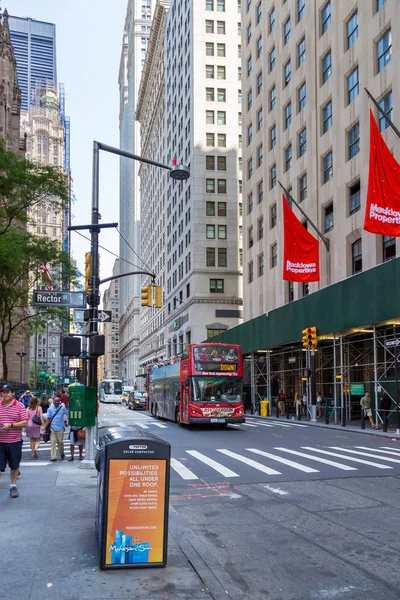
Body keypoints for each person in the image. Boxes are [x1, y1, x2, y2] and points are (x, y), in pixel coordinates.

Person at [0, 385, 28, 498]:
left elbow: (25, 422)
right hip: (0, 442)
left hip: (14, 442)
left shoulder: (20, 406)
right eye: (3, 392)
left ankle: (13, 486)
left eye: (7, 392)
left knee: (14, 465)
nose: (5, 394)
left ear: (12, 393)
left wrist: (11, 425)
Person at [45, 396, 68, 462]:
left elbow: (68, 413)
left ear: (59, 401)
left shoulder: (62, 408)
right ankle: (53, 457)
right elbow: (48, 418)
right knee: (53, 442)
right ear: (53, 401)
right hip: (52, 428)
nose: (56, 403)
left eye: (58, 401)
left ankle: (61, 453)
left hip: (60, 428)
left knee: (60, 442)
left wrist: (67, 421)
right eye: (55, 401)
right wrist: (45, 427)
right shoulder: (50, 409)